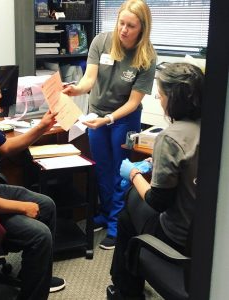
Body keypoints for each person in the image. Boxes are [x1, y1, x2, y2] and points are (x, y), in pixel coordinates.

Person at [62, 0, 156, 250]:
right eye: (121, 23)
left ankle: (116, 223)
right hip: (97, 115)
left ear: (142, 29)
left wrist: (110, 118)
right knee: (101, 168)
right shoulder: (101, 42)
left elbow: (134, 102)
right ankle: (104, 213)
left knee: (120, 170)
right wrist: (75, 90)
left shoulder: (146, 57)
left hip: (124, 119)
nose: (123, 30)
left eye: (131, 26)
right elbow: (88, 80)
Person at [107, 62, 203, 300]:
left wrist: (133, 173)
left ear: (173, 99)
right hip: (206, 233)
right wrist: (155, 162)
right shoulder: (215, 128)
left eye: (160, 96)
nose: (160, 101)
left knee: (128, 209)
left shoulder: (170, 137)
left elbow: (158, 201)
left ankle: (125, 291)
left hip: (178, 238)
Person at [0, 63, 65, 300]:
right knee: (40, 235)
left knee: (47, 205)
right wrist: (22, 207)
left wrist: (42, 127)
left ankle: (33, 274)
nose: (1, 94)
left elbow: (6, 147)